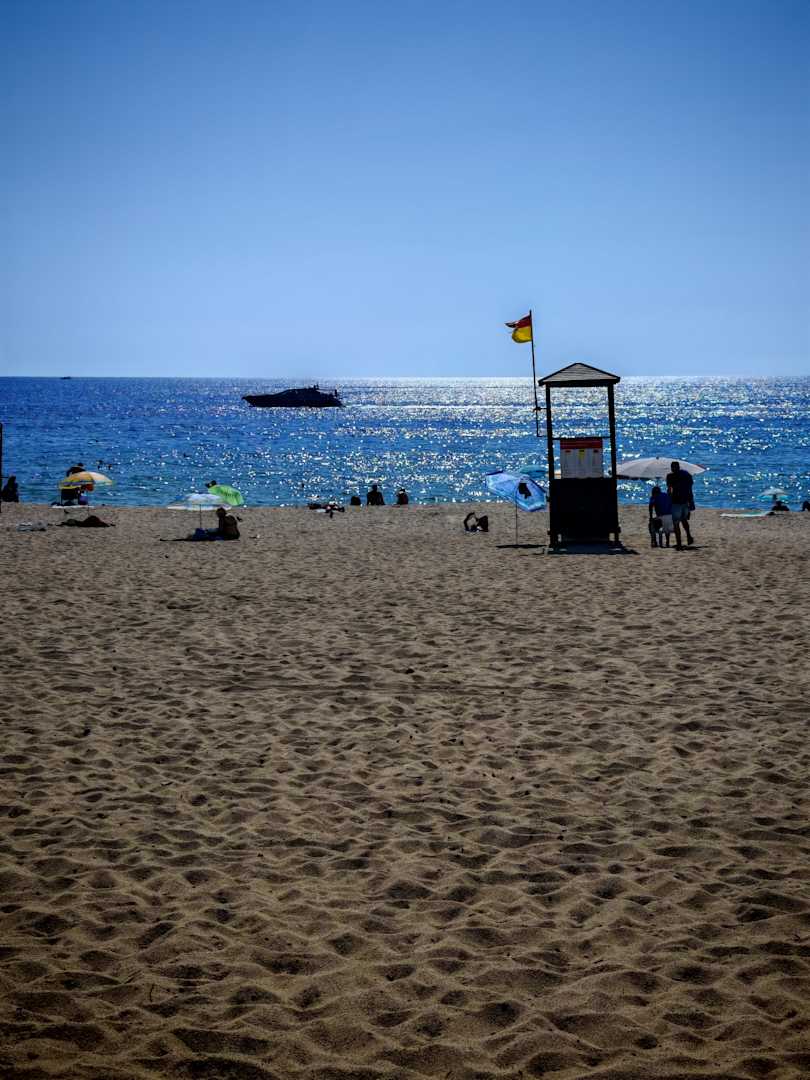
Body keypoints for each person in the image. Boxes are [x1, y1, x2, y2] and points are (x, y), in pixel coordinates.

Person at [666, 461, 694, 550]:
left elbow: (669, 490)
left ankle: (679, 544)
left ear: (672, 468)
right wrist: (691, 501)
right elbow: (690, 489)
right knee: (684, 520)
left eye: (672, 467)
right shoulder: (687, 475)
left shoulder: (670, 476)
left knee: (676, 523)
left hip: (676, 502)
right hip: (685, 501)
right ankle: (688, 535)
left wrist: (668, 499)